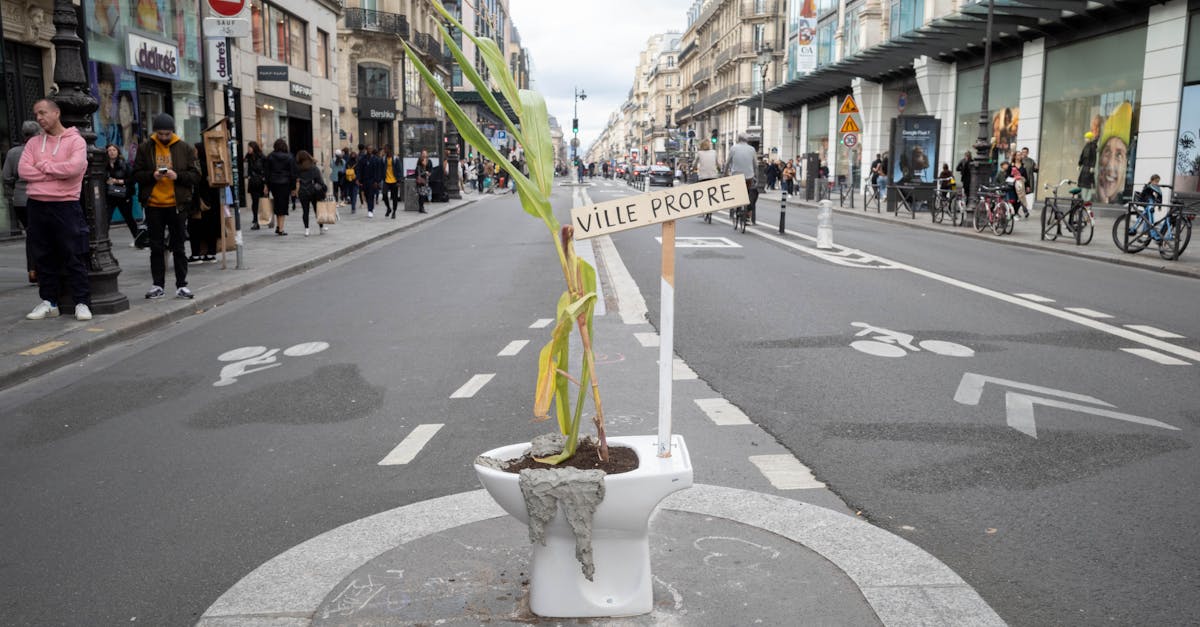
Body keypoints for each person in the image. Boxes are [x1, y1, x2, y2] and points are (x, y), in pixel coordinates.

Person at [20, 100, 91, 320]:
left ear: (56, 113)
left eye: (42, 113)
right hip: (37, 204)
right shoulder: (33, 143)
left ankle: (82, 302)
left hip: (65, 204)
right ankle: (49, 302)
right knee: (42, 255)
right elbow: (23, 170)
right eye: (36, 114)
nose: (39, 117)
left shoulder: (75, 141)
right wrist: (55, 174)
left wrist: (43, 167)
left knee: (73, 253)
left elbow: (74, 168)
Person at [132, 112, 201, 300]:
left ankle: (181, 285)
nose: (164, 137)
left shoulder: (184, 148)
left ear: (172, 132)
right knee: (156, 247)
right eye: (160, 134)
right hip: (153, 204)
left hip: (177, 205)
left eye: (167, 134)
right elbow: (136, 174)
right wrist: (151, 176)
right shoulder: (145, 148)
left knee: (178, 246)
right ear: (155, 133)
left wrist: (177, 176)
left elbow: (196, 176)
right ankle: (157, 285)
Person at [3, 120, 41, 283]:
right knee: (40, 235)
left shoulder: (13, 153)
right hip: (39, 197)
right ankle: (40, 270)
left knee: (31, 234)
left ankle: (32, 271)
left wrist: (16, 187)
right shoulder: (40, 150)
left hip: (20, 200)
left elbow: (6, 177)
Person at [104, 143, 143, 248]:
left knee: (129, 218)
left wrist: (119, 181)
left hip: (123, 195)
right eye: (109, 150)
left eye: (114, 150)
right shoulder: (104, 165)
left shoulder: (124, 164)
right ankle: (104, 240)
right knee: (106, 218)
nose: (111, 152)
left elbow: (132, 179)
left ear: (118, 152)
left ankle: (138, 239)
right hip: (110, 195)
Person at [189, 142, 221, 261]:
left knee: (195, 228)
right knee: (210, 227)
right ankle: (211, 253)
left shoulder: (196, 166)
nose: (194, 152)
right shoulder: (212, 165)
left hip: (199, 202)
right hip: (212, 201)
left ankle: (196, 254)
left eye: (195, 150)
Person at [1096, 102, 1132, 204]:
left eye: (1119, 155)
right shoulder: (1087, 200)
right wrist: (1103, 201)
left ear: (1126, 164)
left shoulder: (1127, 207)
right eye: (1107, 152)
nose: (1110, 165)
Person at [725, 131, 758, 225]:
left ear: (738, 139)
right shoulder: (752, 149)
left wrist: (724, 174)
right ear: (747, 140)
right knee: (750, 193)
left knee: (736, 193)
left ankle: (737, 209)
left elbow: (727, 163)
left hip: (736, 176)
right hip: (748, 177)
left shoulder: (733, 148)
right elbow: (756, 165)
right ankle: (747, 214)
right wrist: (756, 176)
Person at [265, 138, 297, 234]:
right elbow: (293, 174)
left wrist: (267, 185)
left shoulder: (270, 156)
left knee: (277, 203)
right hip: (285, 183)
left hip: (273, 183)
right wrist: (293, 187)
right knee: (283, 205)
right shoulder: (290, 157)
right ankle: (281, 229)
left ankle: (278, 226)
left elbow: (267, 173)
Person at [295, 150, 326, 236]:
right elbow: (319, 181)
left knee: (305, 211)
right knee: (317, 210)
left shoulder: (298, 168)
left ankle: (307, 230)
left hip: (303, 192)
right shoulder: (313, 167)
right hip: (313, 192)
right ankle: (321, 228)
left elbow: (295, 179)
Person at [244, 141, 267, 229]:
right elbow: (245, 169)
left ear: (254, 147)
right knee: (255, 202)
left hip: (261, 183)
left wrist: (266, 184)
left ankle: (266, 218)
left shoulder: (262, 157)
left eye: (250, 147)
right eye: (248, 148)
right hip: (253, 183)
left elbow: (266, 171)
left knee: (264, 202)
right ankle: (255, 220)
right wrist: (247, 176)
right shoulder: (247, 157)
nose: (248, 149)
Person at [356, 146, 382, 217]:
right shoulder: (362, 159)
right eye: (368, 149)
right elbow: (359, 169)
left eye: (371, 149)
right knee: (366, 194)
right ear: (366, 150)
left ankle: (370, 210)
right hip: (364, 180)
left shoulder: (376, 159)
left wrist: (377, 180)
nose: (370, 150)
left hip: (373, 180)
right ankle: (370, 206)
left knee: (371, 194)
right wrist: (358, 179)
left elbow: (378, 171)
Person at [380, 145, 400, 217]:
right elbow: (381, 169)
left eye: (386, 149)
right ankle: (388, 208)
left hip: (394, 180)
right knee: (384, 195)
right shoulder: (383, 159)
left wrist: (398, 181)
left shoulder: (395, 159)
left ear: (390, 150)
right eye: (384, 149)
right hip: (386, 180)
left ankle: (394, 211)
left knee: (394, 197)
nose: (384, 150)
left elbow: (399, 170)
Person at [1077, 131, 1098, 201]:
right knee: (1083, 183)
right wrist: (1079, 164)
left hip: (1089, 168)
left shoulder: (1092, 147)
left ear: (1090, 138)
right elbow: (1082, 156)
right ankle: (1083, 198)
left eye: (1087, 138)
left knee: (1088, 184)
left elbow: (1094, 158)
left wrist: (1092, 166)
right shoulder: (1086, 146)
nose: (1085, 139)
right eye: (1085, 138)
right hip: (1085, 167)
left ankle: (1087, 198)